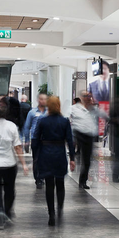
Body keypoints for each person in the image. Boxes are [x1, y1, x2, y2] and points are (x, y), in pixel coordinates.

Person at [32, 96, 76, 226]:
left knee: (49, 185)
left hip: (46, 153)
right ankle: (60, 209)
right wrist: (72, 158)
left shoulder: (42, 121)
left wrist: (36, 155)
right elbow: (70, 140)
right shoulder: (64, 121)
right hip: (59, 153)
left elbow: (35, 138)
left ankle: (51, 213)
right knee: (60, 183)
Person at [0, 101, 27, 230]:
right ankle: (7, 211)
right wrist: (24, 164)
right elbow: (17, 148)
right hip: (9, 164)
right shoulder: (12, 127)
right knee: (9, 189)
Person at [69, 90, 109, 190]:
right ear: (81, 97)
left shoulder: (94, 109)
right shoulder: (74, 108)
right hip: (78, 134)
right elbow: (66, 118)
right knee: (77, 155)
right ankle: (72, 161)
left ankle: (83, 181)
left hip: (89, 135)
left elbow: (106, 116)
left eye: (89, 96)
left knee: (86, 160)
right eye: (86, 96)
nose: (88, 98)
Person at [23, 93, 48, 189]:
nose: (43, 101)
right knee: (36, 159)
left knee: (45, 159)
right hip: (35, 139)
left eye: (45, 99)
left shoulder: (49, 112)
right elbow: (27, 127)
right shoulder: (32, 112)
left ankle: (44, 176)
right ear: (38, 100)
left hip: (46, 140)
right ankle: (38, 179)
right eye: (41, 99)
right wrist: (27, 141)